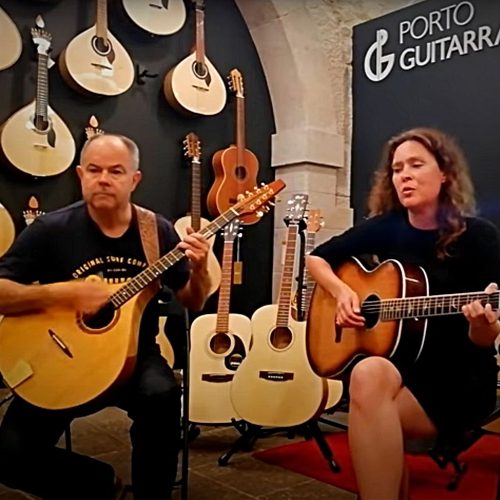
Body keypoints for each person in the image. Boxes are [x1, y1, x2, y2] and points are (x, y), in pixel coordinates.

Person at [0, 133, 212, 499]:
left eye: (116, 171)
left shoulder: (155, 231)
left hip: (134, 359)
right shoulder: (50, 230)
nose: (103, 179)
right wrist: (62, 291)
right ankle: (99, 483)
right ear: (80, 174)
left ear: (135, 179)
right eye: (94, 170)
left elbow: (192, 301)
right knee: (9, 455)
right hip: (62, 356)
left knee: (163, 398)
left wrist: (202, 270)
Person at [306, 127, 500, 500]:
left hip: (458, 379)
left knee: (372, 422)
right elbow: (317, 259)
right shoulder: (387, 227)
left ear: (444, 173)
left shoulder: (479, 237)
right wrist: (343, 292)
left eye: (415, 165)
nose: (403, 175)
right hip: (401, 369)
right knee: (367, 371)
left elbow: (484, 339)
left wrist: (482, 324)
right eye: (396, 169)